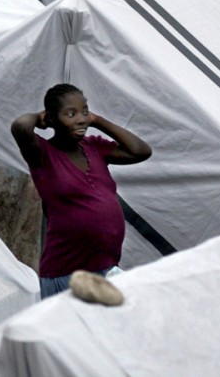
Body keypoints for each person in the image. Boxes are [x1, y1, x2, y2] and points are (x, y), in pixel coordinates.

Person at [11, 83, 152, 298]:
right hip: (67, 273)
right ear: (52, 119)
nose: (81, 119)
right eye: (71, 113)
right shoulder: (43, 154)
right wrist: (40, 118)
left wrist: (97, 120)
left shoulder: (93, 146)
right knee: (71, 331)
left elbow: (140, 151)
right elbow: (21, 126)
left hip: (104, 268)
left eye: (84, 111)